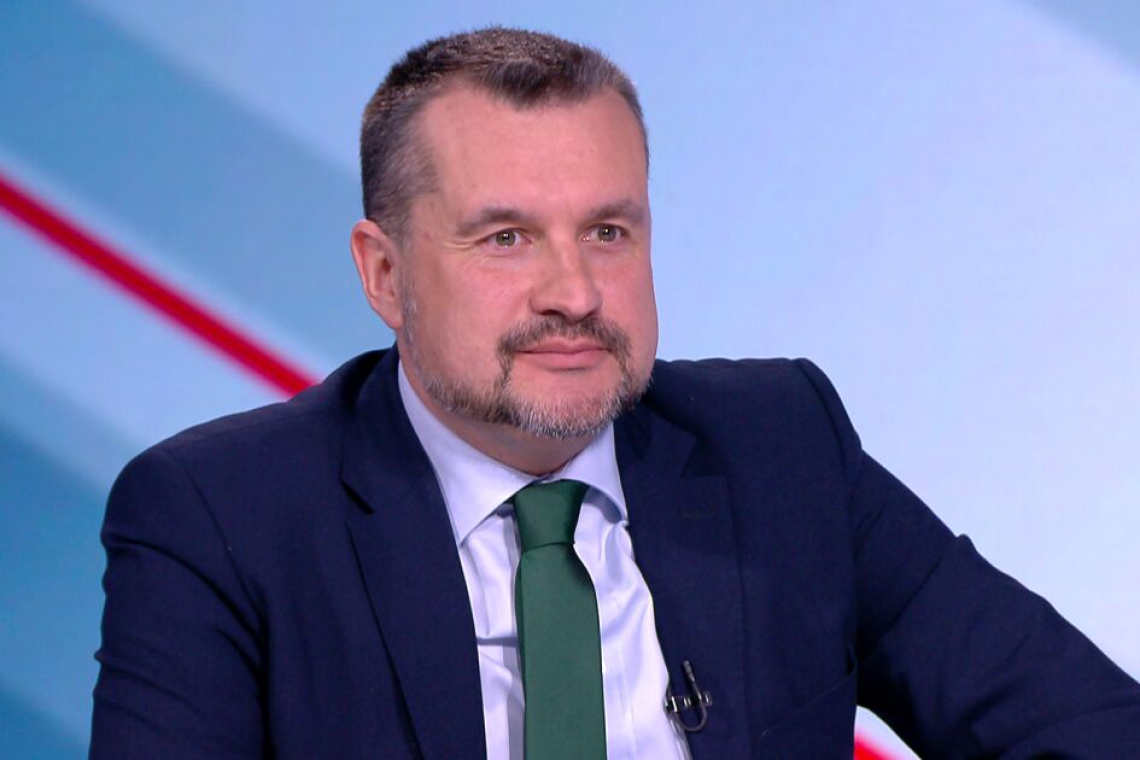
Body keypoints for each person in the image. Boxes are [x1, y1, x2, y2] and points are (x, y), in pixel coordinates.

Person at [90, 27, 1140, 759]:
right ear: (385, 273)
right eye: (507, 237)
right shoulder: (220, 516)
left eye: (608, 231)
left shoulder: (782, 447)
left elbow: (1087, 727)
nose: (576, 293)